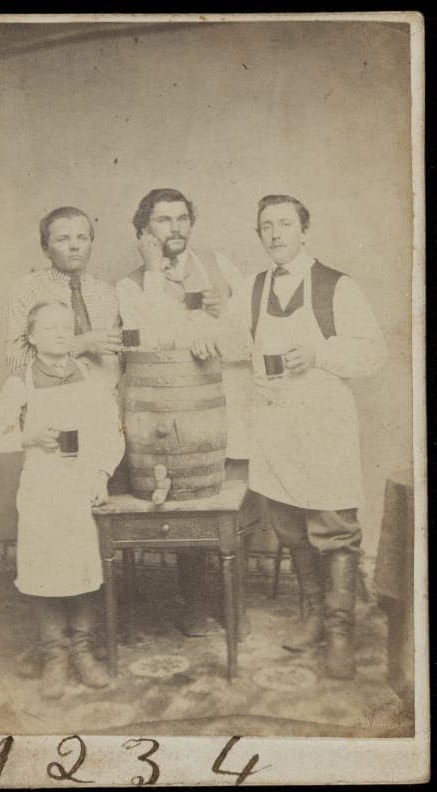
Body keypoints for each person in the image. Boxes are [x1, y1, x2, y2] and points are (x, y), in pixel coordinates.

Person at [241, 194, 386, 679]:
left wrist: (320, 353)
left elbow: (371, 354)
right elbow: (234, 344)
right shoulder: (255, 287)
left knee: (335, 533)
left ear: (305, 231)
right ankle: (313, 616)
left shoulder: (337, 286)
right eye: (267, 226)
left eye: (285, 223)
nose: (276, 233)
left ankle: (341, 631)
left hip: (324, 427)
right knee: (290, 528)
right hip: (275, 429)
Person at [116, 188, 254, 637]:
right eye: (162, 220)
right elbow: (150, 342)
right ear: (144, 231)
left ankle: (234, 604)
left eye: (181, 219)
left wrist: (219, 319)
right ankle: (195, 602)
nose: (174, 228)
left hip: (226, 404)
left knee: (234, 505)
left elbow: (247, 344)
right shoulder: (132, 285)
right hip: (172, 409)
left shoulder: (221, 269)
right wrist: (156, 273)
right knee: (186, 496)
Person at [0, 301, 125, 699]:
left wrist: (101, 474)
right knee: (45, 573)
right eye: (50, 328)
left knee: (81, 571)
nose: (61, 333)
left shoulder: (91, 377)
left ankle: (82, 651)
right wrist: (25, 438)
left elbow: (112, 431)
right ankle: (54, 655)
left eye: (66, 326)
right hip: (42, 491)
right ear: (32, 337)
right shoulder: (20, 383)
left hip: (80, 490)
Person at [6, 206, 122, 385]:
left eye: (82, 238)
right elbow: (17, 360)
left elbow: (121, 356)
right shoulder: (27, 289)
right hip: (50, 400)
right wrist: (80, 344)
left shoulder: (108, 293)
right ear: (46, 249)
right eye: (63, 239)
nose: (75, 246)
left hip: (103, 400)